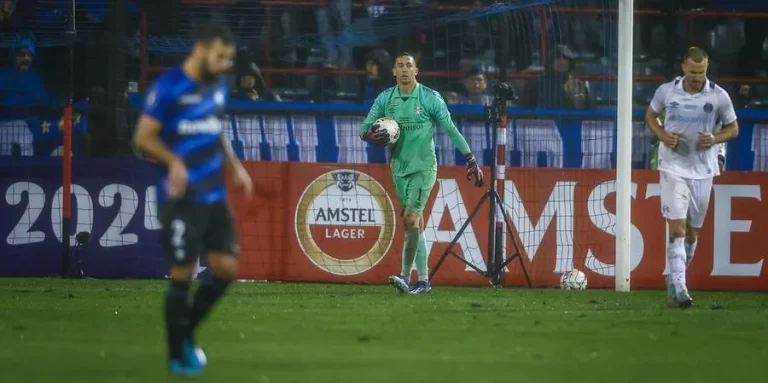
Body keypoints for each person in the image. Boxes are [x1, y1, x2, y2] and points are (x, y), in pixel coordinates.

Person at [132, 24, 253, 376]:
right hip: (181, 198)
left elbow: (216, 133)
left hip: (214, 196)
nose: (225, 64)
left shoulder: (217, 86)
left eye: (229, 58)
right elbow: (143, 136)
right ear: (200, 50)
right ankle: (176, 354)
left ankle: (184, 333)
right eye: (220, 57)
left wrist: (236, 168)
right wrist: (174, 161)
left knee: (226, 270)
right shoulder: (169, 87)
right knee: (182, 276)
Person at [358, 52, 484, 295]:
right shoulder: (386, 99)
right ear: (394, 71)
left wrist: (470, 159)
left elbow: (451, 129)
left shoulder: (429, 98)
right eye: (400, 66)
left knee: (410, 218)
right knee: (414, 225)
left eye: (409, 65)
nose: (404, 69)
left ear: (416, 71)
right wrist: (370, 135)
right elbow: (364, 128)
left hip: (424, 168)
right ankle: (424, 281)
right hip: (398, 168)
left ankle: (405, 276)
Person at [645, 47, 738, 309]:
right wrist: (662, 135)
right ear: (684, 67)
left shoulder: (719, 96)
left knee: (692, 235)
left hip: (703, 170)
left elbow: (733, 128)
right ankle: (680, 288)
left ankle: (674, 278)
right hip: (673, 167)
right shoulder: (666, 91)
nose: (698, 77)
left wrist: (715, 139)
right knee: (677, 228)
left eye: (702, 72)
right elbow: (650, 115)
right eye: (694, 71)